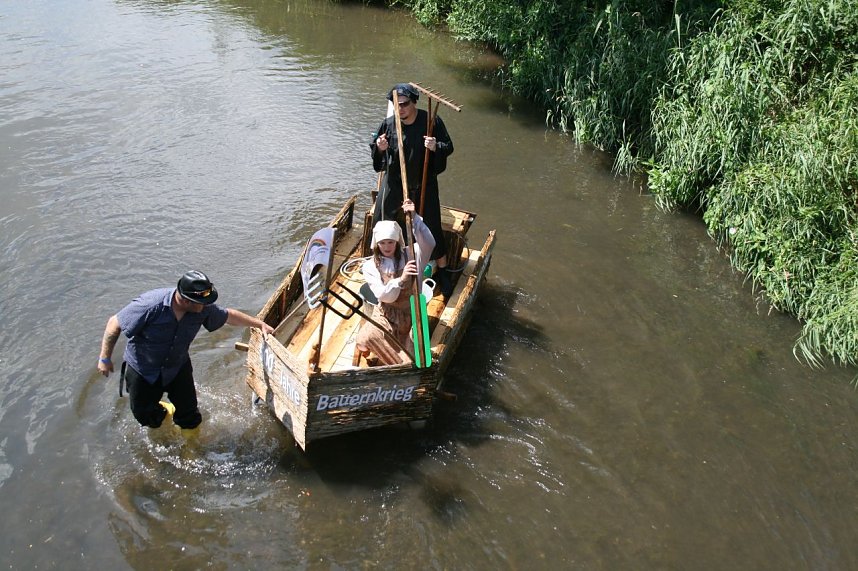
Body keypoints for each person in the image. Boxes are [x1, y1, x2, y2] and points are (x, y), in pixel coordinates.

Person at [97, 270, 274, 432]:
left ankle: (191, 446)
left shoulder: (201, 308)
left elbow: (228, 316)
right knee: (145, 416)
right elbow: (114, 323)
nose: (206, 307)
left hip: (177, 366)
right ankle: (165, 411)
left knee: (190, 416)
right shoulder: (150, 305)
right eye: (202, 303)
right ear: (186, 300)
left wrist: (259, 324)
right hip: (143, 369)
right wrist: (105, 358)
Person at [370, 82, 455, 297]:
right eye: (396, 105)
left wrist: (436, 146)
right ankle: (380, 264)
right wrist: (379, 148)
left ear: (414, 102)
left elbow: (449, 146)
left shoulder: (431, 121)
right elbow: (375, 151)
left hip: (423, 183)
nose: (401, 109)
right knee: (381, 220)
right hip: (394, 182)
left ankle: (443, 271)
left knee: (432, 226)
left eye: (405, 104)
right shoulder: (389, 124)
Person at [356, 199, 435, 366]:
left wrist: (414, 218)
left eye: (391, 242)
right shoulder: (370, 266)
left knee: (415, 360)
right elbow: (385, 296)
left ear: (397, 241)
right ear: (376, 244)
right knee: (364, 339)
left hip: (412, 312)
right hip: (387, 312)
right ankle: (372, 356)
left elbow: (429, 243)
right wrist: (402, 280)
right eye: (382, 243)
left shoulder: (412, 255)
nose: (387, 247)